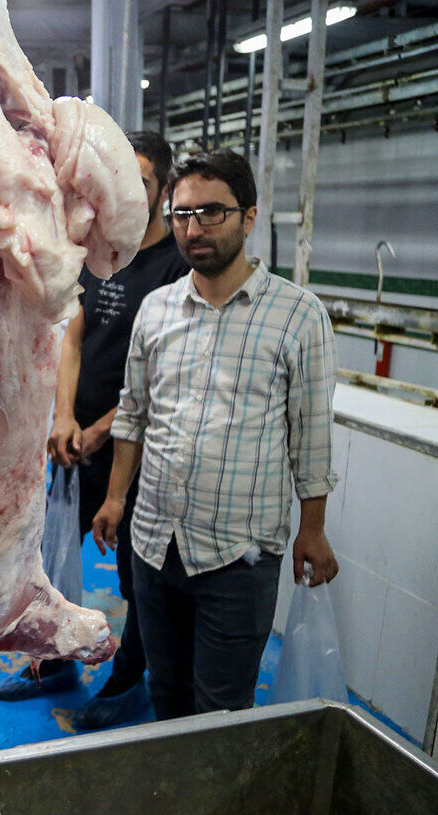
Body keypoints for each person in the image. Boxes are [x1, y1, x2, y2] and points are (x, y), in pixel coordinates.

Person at [93, 149, 340, 721]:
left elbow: (311, 435)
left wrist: (314, 529)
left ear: (248, 217)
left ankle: (216, 809)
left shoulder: (298, 316)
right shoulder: (156, 310)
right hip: (155, 542)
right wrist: (114, 498)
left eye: (211, 213)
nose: (193, 228)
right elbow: (133, 413)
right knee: (167, 695)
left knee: (221, 709)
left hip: (238, 554)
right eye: (181, 215)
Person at [0, 132, 190, 730]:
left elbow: (164, 369)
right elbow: (71, 337)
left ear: (160, 192)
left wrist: (106, 426)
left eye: (143, 181)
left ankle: (131, 682)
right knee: (51, 560)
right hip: (78, 438)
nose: (128, 192)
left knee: (137, 574)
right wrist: (63, 417)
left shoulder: (176, 265)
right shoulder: (98, 249)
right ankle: (53, 663)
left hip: (139, 446)